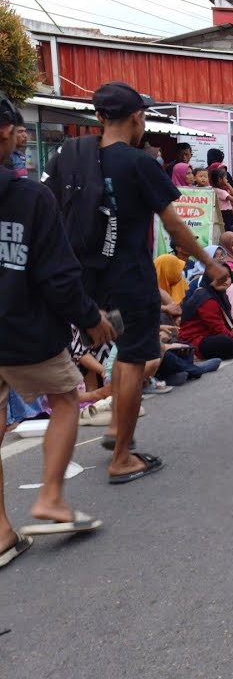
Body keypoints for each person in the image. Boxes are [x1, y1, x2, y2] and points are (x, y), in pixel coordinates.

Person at [42, 82, 227, 484]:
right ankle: (121, 454)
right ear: (137, 118)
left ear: (98, 117)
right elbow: (174, 225)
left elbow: (50, 214)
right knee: (132, 358)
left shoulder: (68, 158)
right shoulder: (139, 163)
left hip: (91, 284)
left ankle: (116, 429)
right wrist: (210, 264)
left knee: (122, 350)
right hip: (132, 282)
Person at [0, 92, 115, 567]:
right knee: (67, 397)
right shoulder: (28, 196)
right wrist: (93, 320)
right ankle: (49, 497)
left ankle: (3, 532)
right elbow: (57, 275)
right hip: (24, 329)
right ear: (5, 131)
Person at [178, 263, 233, 360]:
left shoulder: (220, 294)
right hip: (197, 340)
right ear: (209, 278)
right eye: (220, 278)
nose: (225, 281)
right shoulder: (207, 299)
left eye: (228, 277)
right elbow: (220, 330)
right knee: (224, 341)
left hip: (213, 334)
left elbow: (227, 321)